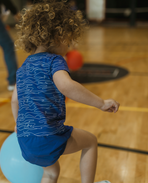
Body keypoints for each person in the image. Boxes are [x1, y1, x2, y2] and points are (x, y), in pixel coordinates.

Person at [11, 1, 120, 183]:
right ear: (58, 36)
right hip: (48, 137)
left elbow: (15, 101)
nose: (69, 47)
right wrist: (101, 103)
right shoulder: (55, 60)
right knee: (91, 142)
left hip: (24, 140)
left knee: (51, 173)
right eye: (68, 41)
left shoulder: (24, 67)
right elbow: (66, 86)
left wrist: (17, 124)